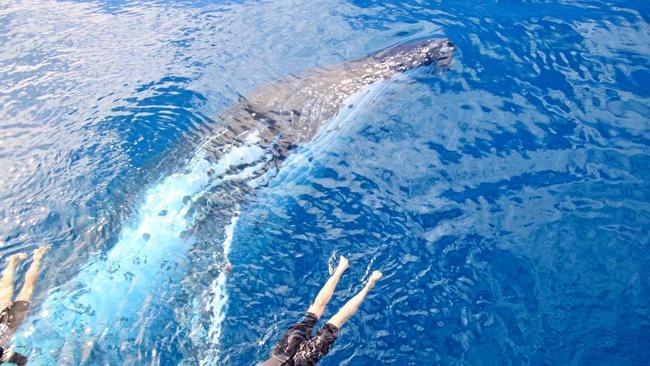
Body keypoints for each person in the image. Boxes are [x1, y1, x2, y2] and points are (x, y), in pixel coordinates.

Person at [259, 255, 382, 366]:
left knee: (337, 319)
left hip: (301, 360)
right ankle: (341, 269)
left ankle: (369, 285)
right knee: (316, 309)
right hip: (284, 351)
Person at [0, 245, 50, 365]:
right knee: (6, 287)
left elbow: (22, 360)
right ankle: (13, 260)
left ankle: (37, 257)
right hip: (4, 319)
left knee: (28, 287)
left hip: (10, 324)